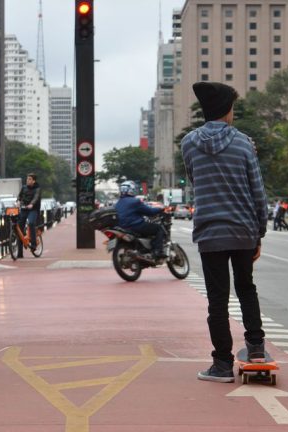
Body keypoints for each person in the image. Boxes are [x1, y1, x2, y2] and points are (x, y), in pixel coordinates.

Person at [181, 81, 268, 383]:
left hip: (210, 232)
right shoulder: (244, 143)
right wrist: (260, 231)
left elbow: (195, 180)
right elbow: (257, 191)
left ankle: (221, 364)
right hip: (243, 229)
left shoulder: (189, 143)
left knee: (217, 300)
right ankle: (256, 349)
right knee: (246, 288)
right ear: (227, 111)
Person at [114, 180, 166, 259]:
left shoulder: (117, 203)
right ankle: (157, 251)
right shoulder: (135, 201)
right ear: (131, 190)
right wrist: (160, 208)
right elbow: (150, 212)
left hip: (122, 227)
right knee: (158, 228)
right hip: (135, 226)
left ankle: (143, 250)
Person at [16, 173, 41, 257]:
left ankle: (33, 245)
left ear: (34, 181)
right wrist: (18, 202)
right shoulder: (23, 187)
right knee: (19, 228)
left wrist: (32, 204)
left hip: (33, 210)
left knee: (31, 223)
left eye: (30, 179)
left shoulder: (37, 189)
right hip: (24, 209)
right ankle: (20, 253)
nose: (27, 180)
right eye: (27, 179)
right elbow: (19, 197)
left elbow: (36, 198)